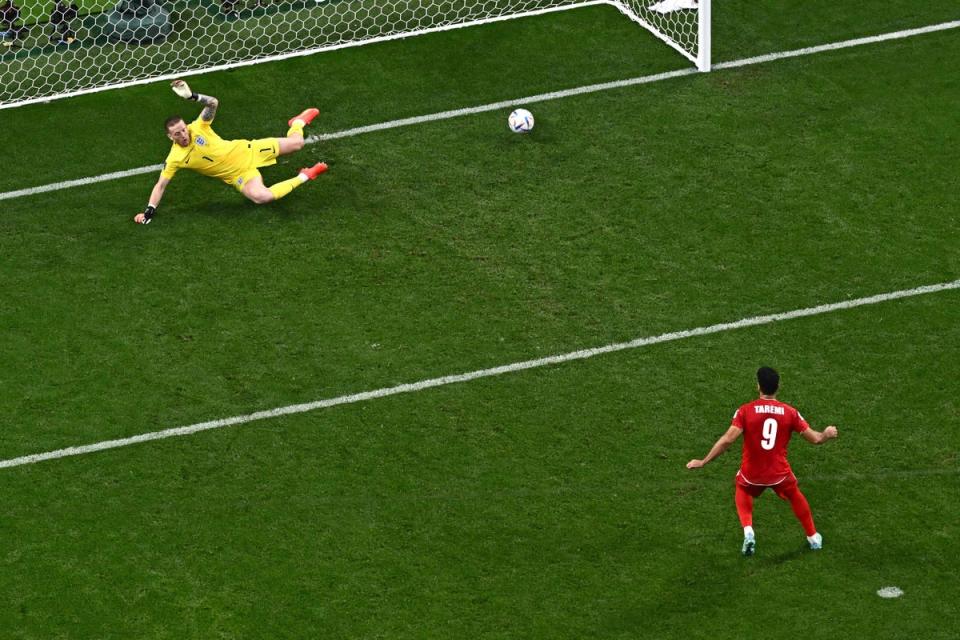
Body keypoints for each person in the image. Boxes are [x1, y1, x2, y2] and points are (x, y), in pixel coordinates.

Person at [686, 367, 838, 556]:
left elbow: (727, 440)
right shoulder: (790, 413)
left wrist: (703, 461)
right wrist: (827, 434)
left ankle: (748, 530)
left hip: (752, 473)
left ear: (758, 386)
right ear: (778, 387)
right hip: (778, 472)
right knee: (794, 494)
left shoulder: (745, 411)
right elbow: (815, 439)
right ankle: (813, 537)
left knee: (741, 488)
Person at [135, 79, 328, 224]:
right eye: (178, 134)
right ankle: (305, 175)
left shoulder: (199, 127)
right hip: (239, 175)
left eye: (184, 129)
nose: (184, 134)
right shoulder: (175, 158)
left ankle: (297, 122)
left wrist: (192, 96)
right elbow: (161, 185)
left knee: (298, 143)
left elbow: (213, 103)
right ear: (171, 137)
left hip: (249, 151)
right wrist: (149, 211)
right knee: (262, 197)